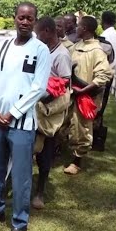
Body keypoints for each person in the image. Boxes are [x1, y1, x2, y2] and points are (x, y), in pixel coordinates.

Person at [0, 2, 50, 231]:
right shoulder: (4, 46)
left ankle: (19, 222)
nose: (25, 22)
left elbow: (38, 88)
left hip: (21, 124)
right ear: (14, 18)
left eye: (30, 18)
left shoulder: (40, 50)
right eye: (21, 17)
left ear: (35, 21)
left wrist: (13, 113)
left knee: (20, 174)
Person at [63, 16, 113, 175]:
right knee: (65, 123)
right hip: (70, 94)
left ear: (84, 29)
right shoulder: (76, 46)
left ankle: (77, 160)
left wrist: (84, 90)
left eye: (78, 26)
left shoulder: (97, 51)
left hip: (85, 97)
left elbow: (103, 76)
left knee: (82, 128)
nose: (76, 29)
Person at [32, 16, 72, 209]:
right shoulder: (42, 50)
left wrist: (44, 96)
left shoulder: (62, 54)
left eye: (38, 33)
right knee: (31, 145)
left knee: (46, 150)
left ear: (47, 32)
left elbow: (64, 82)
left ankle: (40, 191)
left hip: (50, 110)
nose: (36, 36)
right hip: (36, 105)